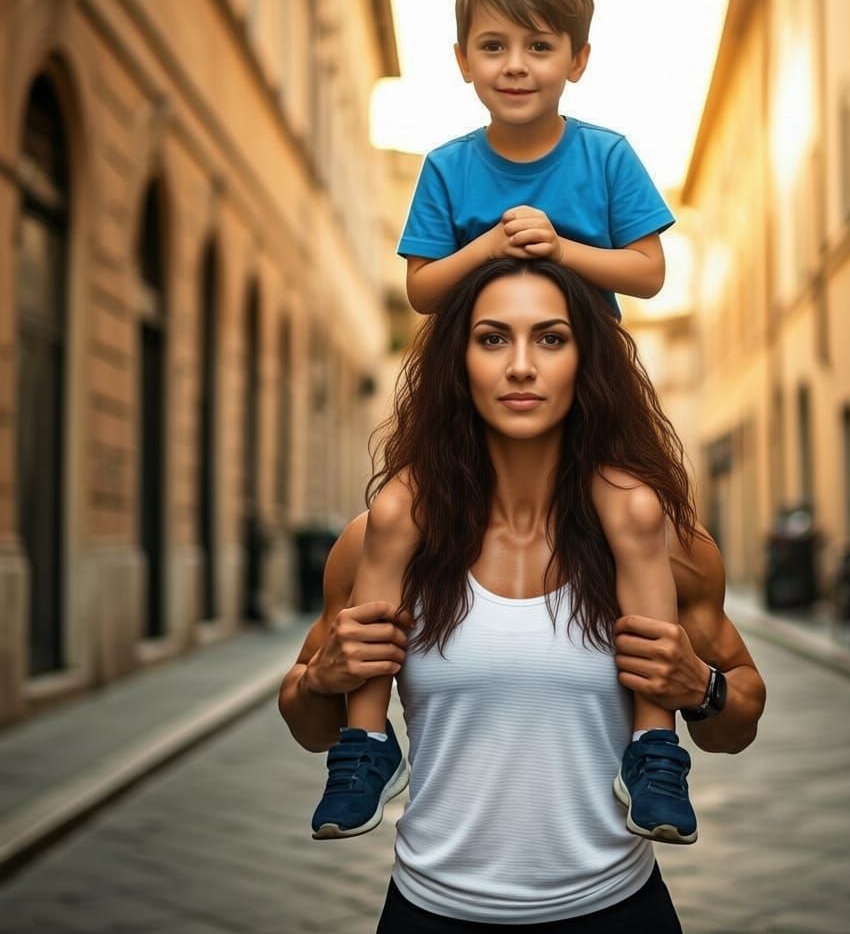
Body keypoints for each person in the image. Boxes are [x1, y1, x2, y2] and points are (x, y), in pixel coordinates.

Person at [308, 0, 703, 846]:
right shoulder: (449, 167)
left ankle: (655, 750)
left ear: (578, 60)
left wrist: (560, 247)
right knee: (398, 514)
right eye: (493, 46)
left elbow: (646, 271)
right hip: (467, 391)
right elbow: (420, 289)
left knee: (637, 517)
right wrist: (487, 248)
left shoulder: (605, 156)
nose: (515, 66)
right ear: (462, 62)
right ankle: (366, 743)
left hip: (588, 392)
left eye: (538, 45)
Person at [280, 260, 767, 930]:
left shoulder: (659, 541)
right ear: (460, 364)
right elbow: (308, 726)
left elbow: (740, 721)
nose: (520, 366)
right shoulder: (383, 539)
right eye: (491, 339)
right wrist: (322, 679)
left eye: (550, 338)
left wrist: (700, 686)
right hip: (431, 913)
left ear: (584, 362)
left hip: (615, 913)